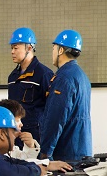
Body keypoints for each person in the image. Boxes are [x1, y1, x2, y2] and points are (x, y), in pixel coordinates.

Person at [39, 30, 92, 161]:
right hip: (82, 149)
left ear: (61, 50)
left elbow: (55, 118)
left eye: (54, 48)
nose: (52, 52)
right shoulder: (81, 76)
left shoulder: (64, 78)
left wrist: (45, 153)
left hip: (66, 154)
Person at [0, 99, 72, 172]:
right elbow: (14, 168)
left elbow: (22, 161)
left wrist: (31, 146)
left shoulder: (11, 148)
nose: (21, 124)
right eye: (17, 120)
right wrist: (47, 165)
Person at [7, 28, 53, 147]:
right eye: (11, 48)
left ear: (29, 48)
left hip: (37, 137)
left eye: (16, 48)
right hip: (17, 136)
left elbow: (52, 111)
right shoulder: (12, 77)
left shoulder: (44, 74)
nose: (12, 52)